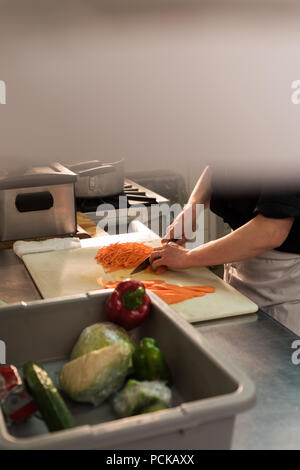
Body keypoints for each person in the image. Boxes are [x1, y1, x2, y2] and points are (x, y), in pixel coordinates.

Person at [150, 166, 300, 335]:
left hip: (282, 278)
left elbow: (271, 231)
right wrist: (192, 208)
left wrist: (188, 257)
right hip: (243, 248)